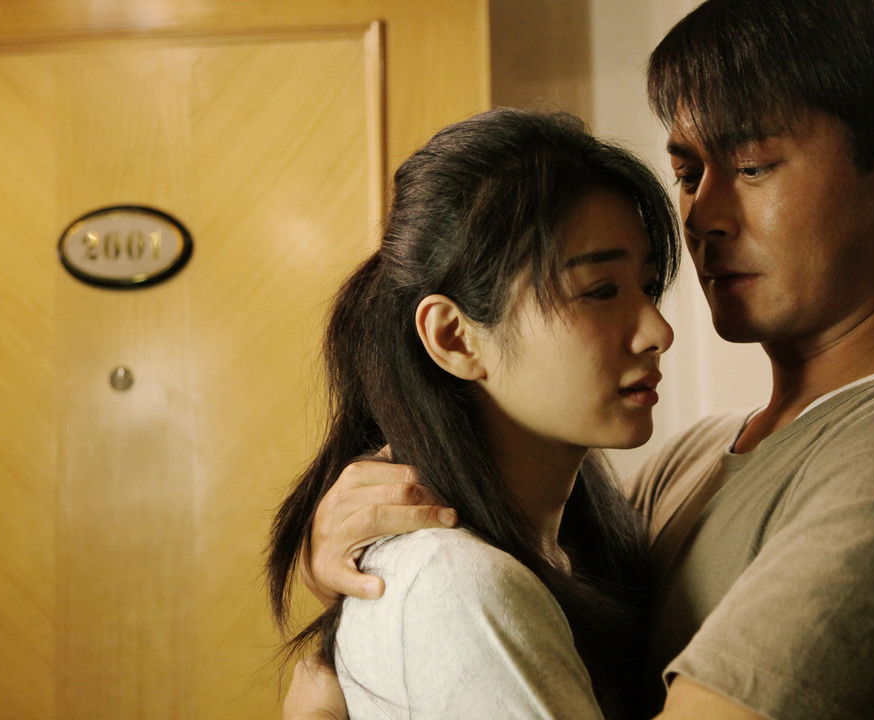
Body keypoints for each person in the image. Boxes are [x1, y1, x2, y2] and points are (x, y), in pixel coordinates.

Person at [293, 0, 874, 718]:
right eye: (688, 174)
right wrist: (359, 583)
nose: (704, 217)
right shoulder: (686, 463)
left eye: (752, 166)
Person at [266, 108, 682, 719]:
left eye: (647, 286)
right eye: (600, 291)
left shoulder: (585, 539)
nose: (658, 331)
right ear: (455, 337)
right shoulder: (456, 582)